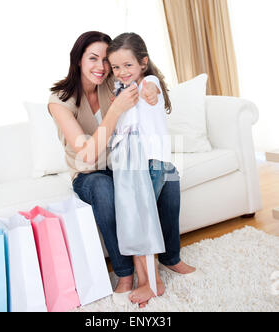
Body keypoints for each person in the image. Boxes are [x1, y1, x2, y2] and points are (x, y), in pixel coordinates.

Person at [48, 31, 195, 308]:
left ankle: (170, 257)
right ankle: (126, 272)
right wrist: (116, 111)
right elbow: (88, 154)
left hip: (124, 165)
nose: (101, 67)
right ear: (78, 60)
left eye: (106, 61)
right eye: (93, 59)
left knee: (170, 176)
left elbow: (142, 76)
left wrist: (151, 87)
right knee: (107, 190)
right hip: (90, 172)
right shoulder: (60, 101)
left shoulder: (112, 82)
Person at [106, 32, 181, 307]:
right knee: (135, 220)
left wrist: (148, 91)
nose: (122, 72)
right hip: (131, 165)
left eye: (128, 65)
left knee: (144, 220)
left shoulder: (148, 82)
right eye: (116, 67)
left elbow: (152, 91)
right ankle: (147, 279)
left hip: (149, 162)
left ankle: (153, 281)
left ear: (143, 63)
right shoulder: (120, 90)